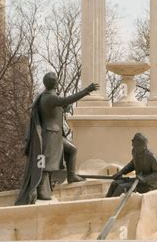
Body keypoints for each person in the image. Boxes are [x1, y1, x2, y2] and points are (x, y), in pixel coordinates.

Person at [15, 73, 99, 205]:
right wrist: (86, 90)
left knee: (71, 150)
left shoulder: (46, 97)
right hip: (49, 136)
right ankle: (40, 187)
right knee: (43, 162)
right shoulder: (49, 97)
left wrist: (63, 109)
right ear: (55, 83)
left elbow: (59, 107)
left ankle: (71, 176)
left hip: (55, 135)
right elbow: (65, 101)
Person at [106, 133, 157, 198]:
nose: (134, 148)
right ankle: (105, 202)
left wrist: (144, 179)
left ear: (143, 146)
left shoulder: (151, 157)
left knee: (121, 187)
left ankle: (111, 204)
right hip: (138, 181)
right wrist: (121, 172)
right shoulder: (135, 151)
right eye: (133, 146)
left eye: (136, 146)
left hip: (149, 185)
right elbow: (133, 164)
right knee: (114, 183)